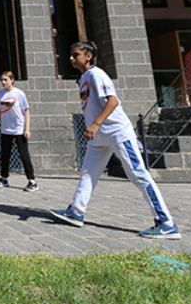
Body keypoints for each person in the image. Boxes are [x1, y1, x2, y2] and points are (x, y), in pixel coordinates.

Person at [49, 41, 181, 239]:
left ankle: (166, 223)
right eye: (71, 54)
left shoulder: (96, 74)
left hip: (117, 133)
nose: (71, 58)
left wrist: (95, 124)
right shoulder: (84, 77)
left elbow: (113, 101)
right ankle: (76, 212)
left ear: (88, 56)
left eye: (75, 54)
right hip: (99, 138)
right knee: (88, 173)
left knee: (138, 175)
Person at [0, 71, 37, 192]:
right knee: (4, 155)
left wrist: (27, 129)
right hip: (6, 129)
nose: (3, 82)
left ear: (12, 80)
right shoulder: (0, 94)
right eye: (2, 80)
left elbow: (26, 111)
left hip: (19, 129)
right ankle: (4, 178)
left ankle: (32, 181)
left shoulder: (19, 94)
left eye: (6, 80)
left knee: (23, 155)